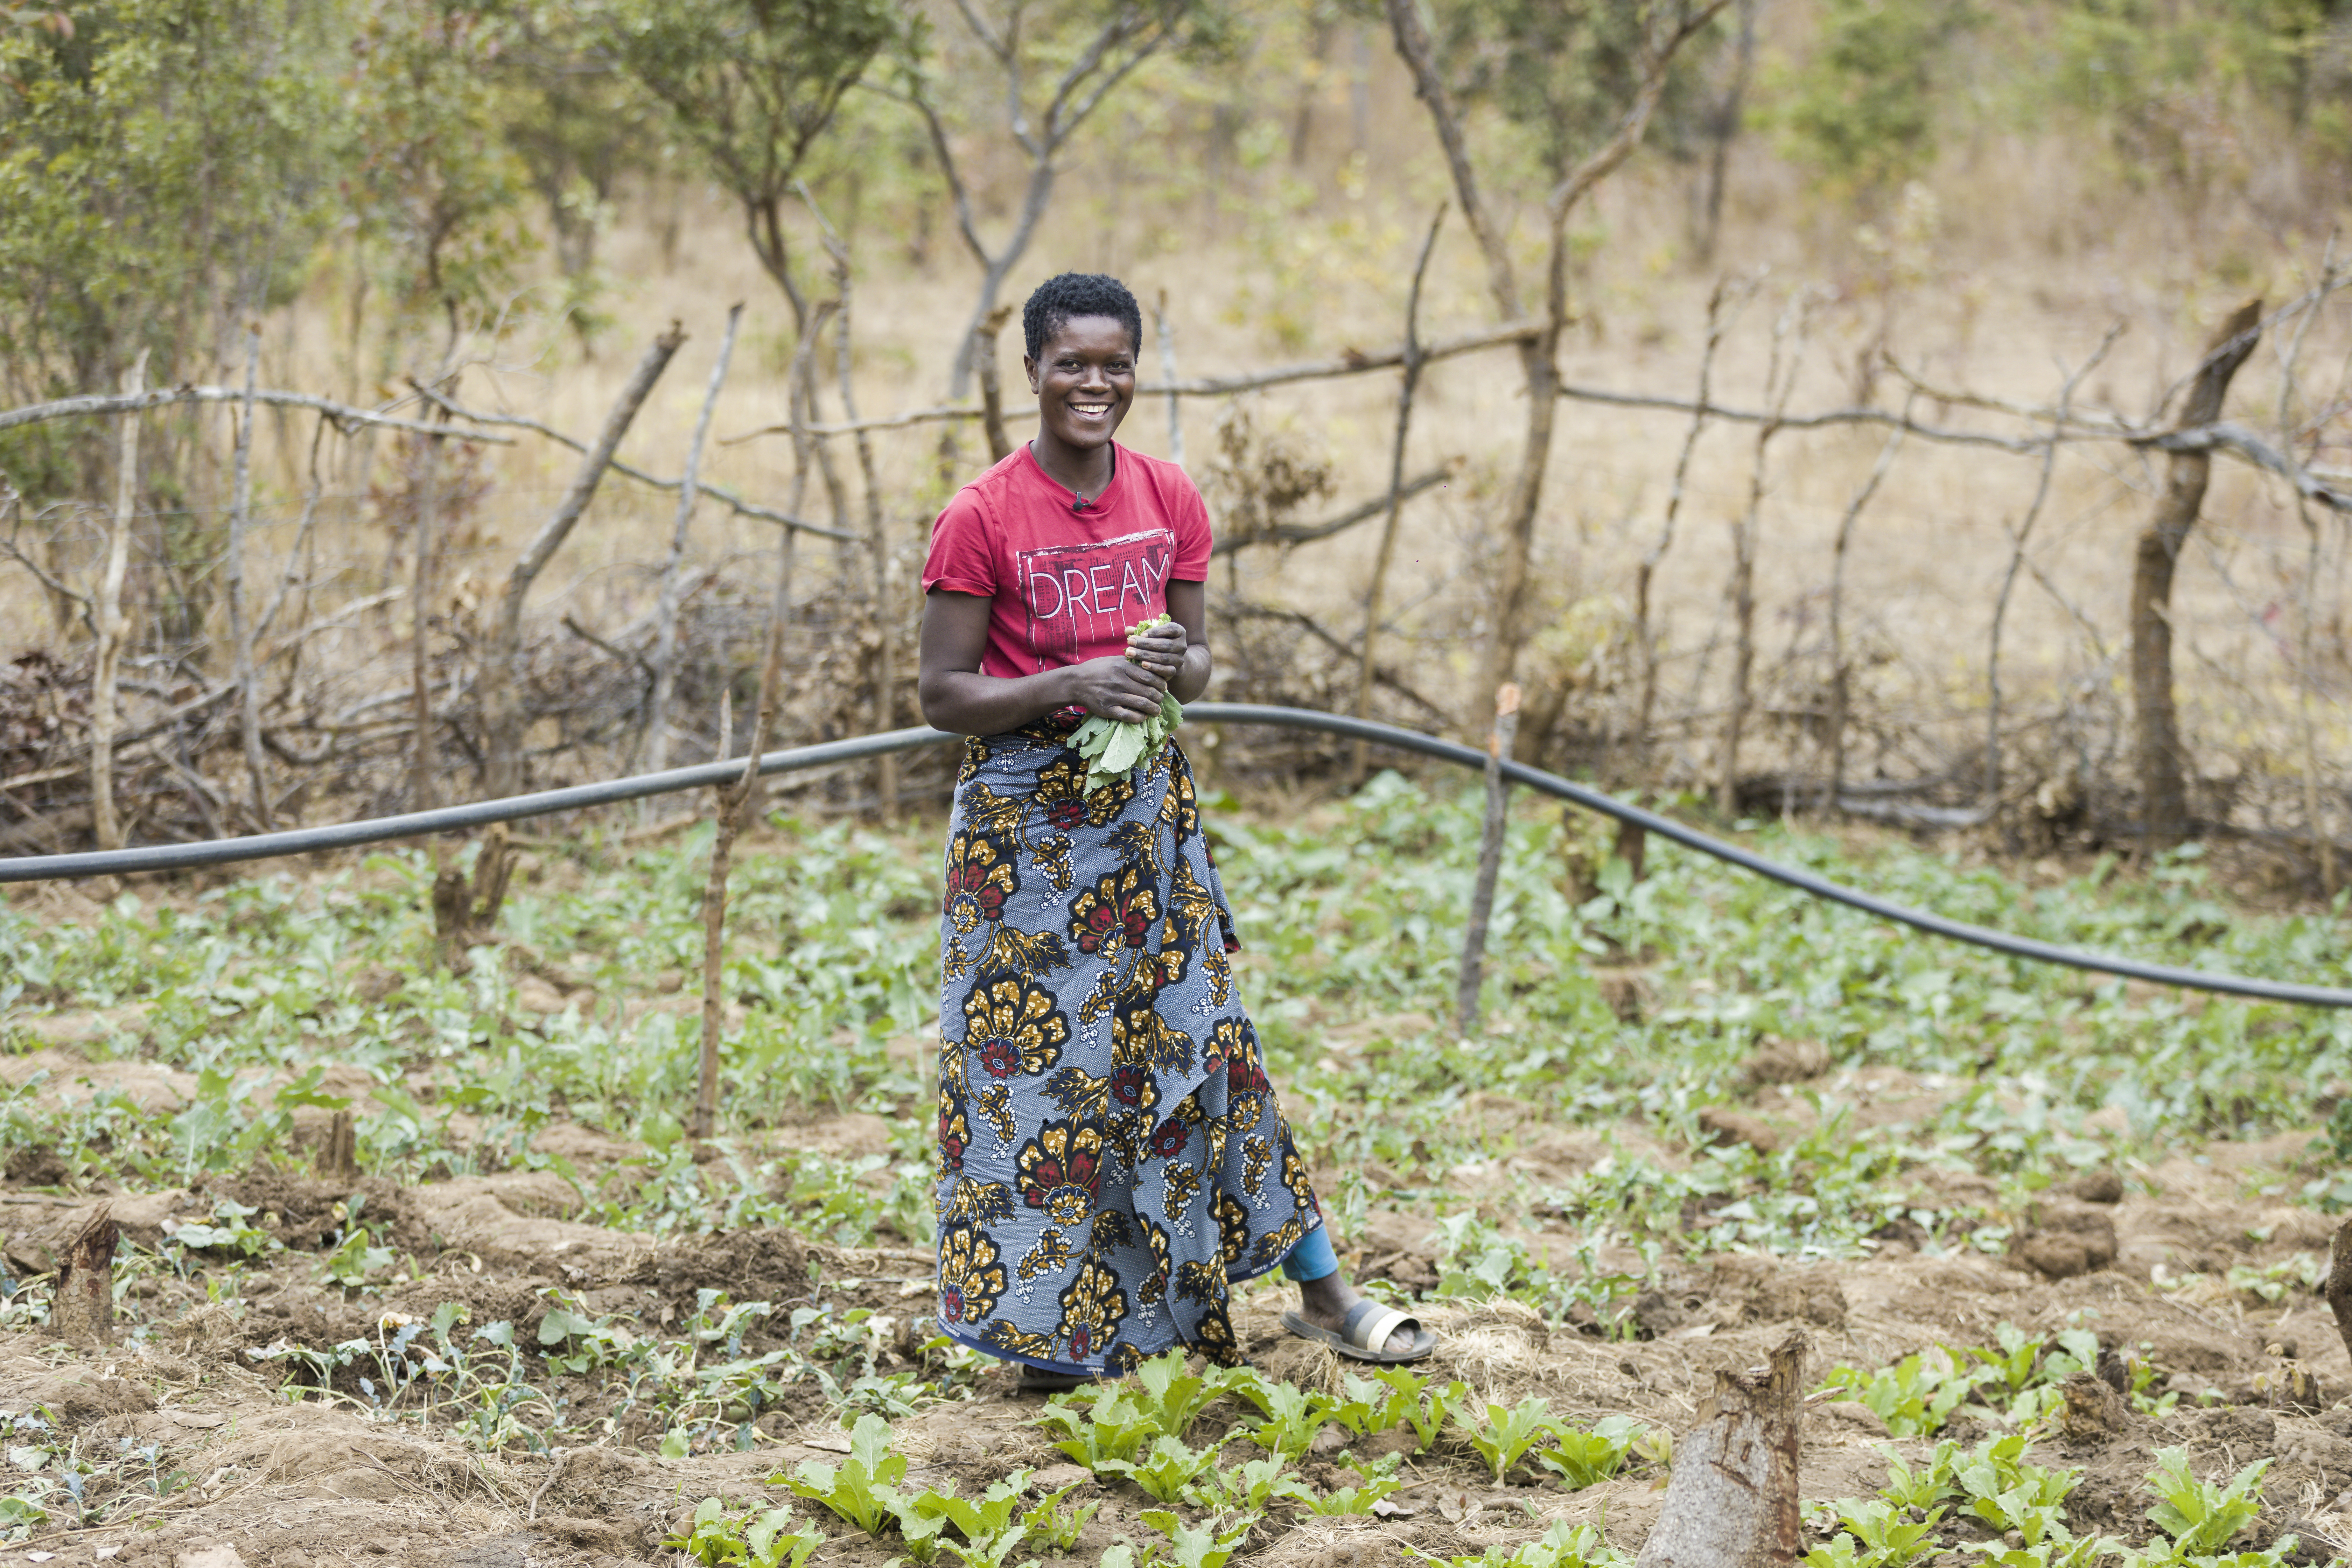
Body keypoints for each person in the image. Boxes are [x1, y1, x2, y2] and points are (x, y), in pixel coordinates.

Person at [917, 271, 1437, 1391]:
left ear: (1136, 370)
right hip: (1025, 846)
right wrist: (1075, 682)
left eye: (1114, 364)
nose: (1093, 383)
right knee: (1041, 1084)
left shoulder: (1168, 496)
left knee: (1205, 1045)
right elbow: (943, 694)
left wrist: (1160, 669)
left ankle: (1324, 1292)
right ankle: (1060, 1341)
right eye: (1072, 364)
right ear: (1033, 374)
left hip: (1147, 824)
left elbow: (1197, 662)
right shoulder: (983, 515)